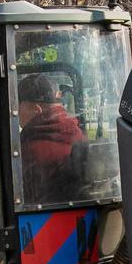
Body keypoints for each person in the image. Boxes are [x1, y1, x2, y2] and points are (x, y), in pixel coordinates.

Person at [17, 72, 85, 204]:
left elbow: (18, 206)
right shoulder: (78, 135)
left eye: (17, 107)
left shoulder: (29, 150)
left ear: (36, 110)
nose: (15, 113)